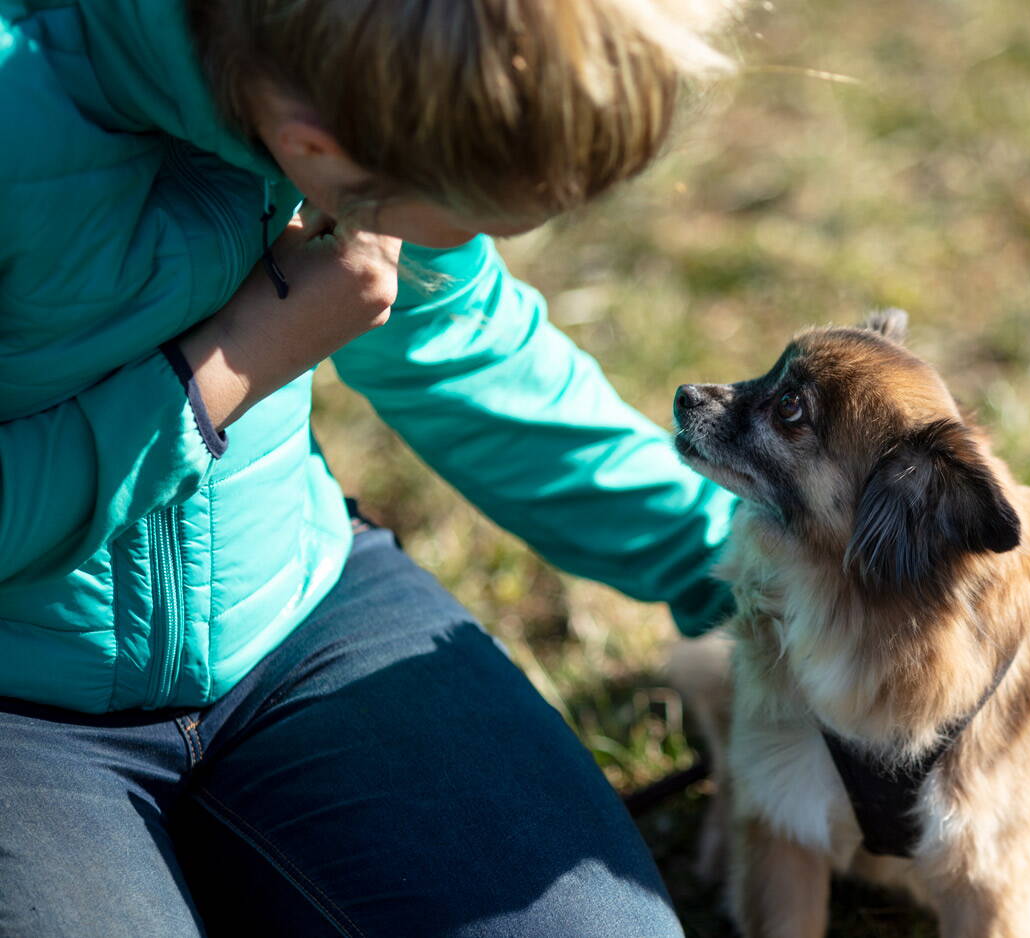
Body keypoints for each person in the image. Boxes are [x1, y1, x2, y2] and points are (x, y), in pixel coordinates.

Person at [0, 0, 742, 934]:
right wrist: (229, 367)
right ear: (313, 154)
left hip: (295, 609)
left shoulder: (357, 74)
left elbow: (462, 345)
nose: (449, 251)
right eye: (453, 222)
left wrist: (748, 577)